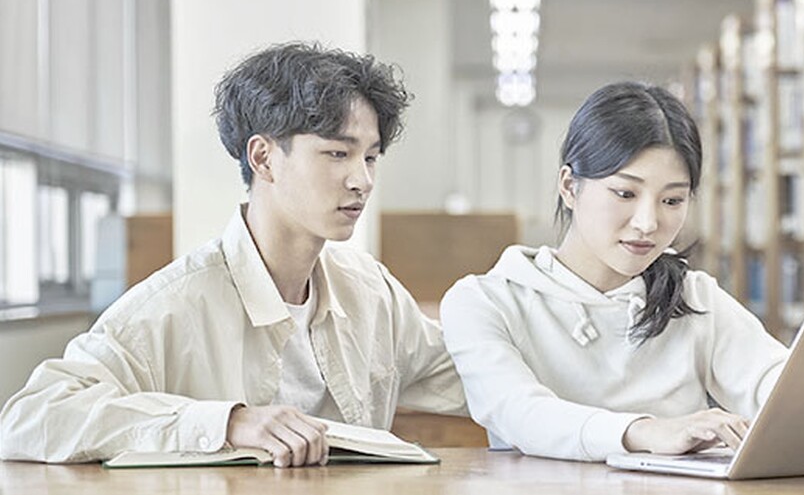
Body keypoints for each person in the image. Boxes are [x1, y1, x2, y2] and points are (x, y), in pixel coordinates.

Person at [0, 42, 466, 467]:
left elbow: (475, 375)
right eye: (337, 154)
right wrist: (228, 423)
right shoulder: (175, 304)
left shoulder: (371, 292)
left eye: (370, 157)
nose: (361, 180)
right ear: (263, 158)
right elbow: (32, 417)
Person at [439, 81, 789, 463]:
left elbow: (779, 385)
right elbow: (520, 413)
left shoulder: (693, 297)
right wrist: (645, 431)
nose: (647, 222)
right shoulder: (484, 301)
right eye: (625, 193)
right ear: (570, 187)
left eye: (672, 200)